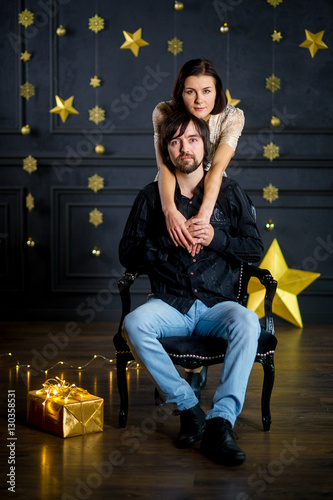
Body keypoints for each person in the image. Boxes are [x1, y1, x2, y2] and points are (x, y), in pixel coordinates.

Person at [119, 111, 263, 466]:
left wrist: (216, 237)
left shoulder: (230, 193)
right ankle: (188, 407)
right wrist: (168, 239)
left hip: (218, 305)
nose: (185, 147)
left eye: (192, 139)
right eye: (175, 141)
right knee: (134, 324)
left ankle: (220, 421)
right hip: (170, 305)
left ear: (206, 146)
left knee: (248, 322)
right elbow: (127, 253)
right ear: (167, 151)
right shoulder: (152, 197)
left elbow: (254, 249)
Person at [153, 58, 244, 254]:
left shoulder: (232, 117)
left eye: (206, 91)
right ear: (180, 92)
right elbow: (165, 167)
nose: (199, 100)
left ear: (217, 92)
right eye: (190, 92)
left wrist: (203, 217)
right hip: (171, 189)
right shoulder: (163, 112)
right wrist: (169, 210)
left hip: (213, 192)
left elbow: (217, 169)